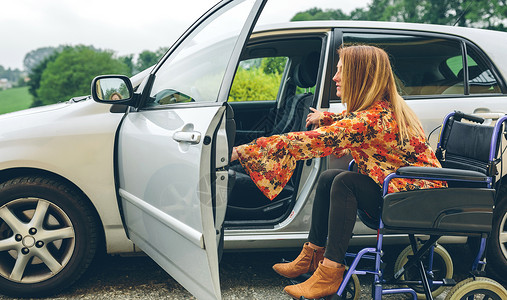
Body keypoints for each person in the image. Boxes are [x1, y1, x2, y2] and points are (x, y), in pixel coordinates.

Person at [230, 45, 446, 299]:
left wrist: (243, 151)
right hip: (403, 190)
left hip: (415, 200)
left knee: (345, 182)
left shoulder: (372, 121)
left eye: (341, 71)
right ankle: (313, 255)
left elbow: (311, 140)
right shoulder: (378, 111)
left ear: (360, 77)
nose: (334, 77)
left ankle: (330, 271)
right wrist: (328, 117)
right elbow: (351, 121)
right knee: (329, 177)